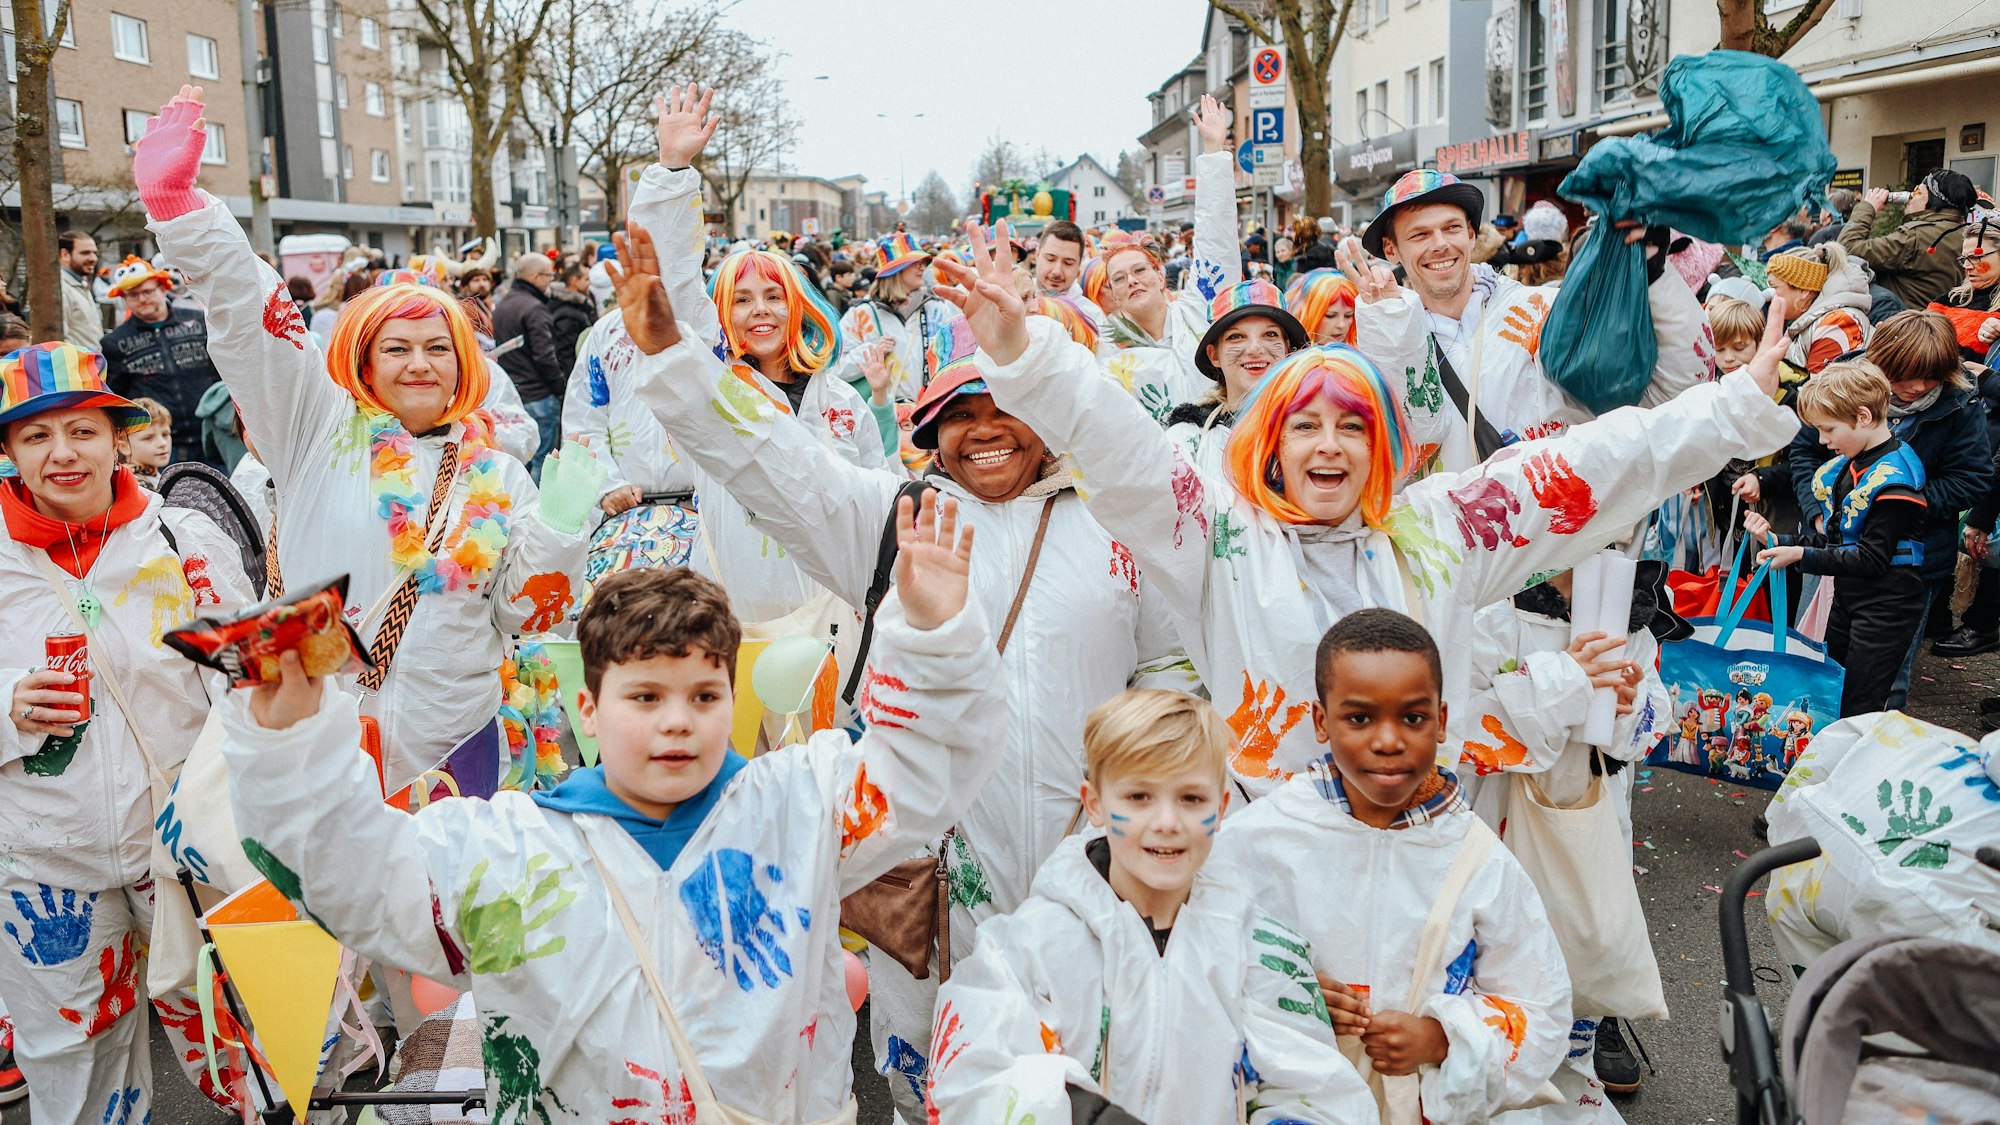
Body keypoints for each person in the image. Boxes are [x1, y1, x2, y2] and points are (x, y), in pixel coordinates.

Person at [613, 214, 1197, 1122]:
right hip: (938, 876)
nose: (984, 434)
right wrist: (674, 360)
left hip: (1096, 864)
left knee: (1092, 1079)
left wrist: (1160, 810)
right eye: (958, 419)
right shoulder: (898, 518)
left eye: (1004, 411)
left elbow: (1171, 676)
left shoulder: (1119, 523)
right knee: (948, 1084)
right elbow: (773, 460)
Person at [218, 498, 1003, 1123]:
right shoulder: (507, 850)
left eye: (704, 694)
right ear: (588, 710)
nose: (676, 719)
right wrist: (291, 737)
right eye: (645, 696)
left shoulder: (799, 808)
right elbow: (352, 876)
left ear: (731, 696)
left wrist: (934, 632)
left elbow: (926, 766)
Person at [948, 221, 1801, 792]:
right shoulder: (1216, 535)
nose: (1328, 446)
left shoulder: (1436, 530)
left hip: (1424, 853)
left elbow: (1591, 463)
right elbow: (1120, 449)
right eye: (1306, 425)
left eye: (1352, 426)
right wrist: (1025, 354)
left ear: (1383, 445)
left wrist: (1733, 407)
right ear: (1268, 442)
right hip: (1273, 867)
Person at [135, 83, 600, 792]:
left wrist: (563, 526)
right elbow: (253, 319)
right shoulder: (316, 429)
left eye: (438, 348)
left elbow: (525, 610)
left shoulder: (500, 477)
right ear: (362, 360)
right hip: (324, 737)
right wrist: (184, 212)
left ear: (462, 366)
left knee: (447, 903)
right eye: (398, 348)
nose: (420, 363)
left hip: (456, 743)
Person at [0, 342, 257, 1122]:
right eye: (36, 436)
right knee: (75, 1071)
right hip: (45, 864)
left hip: (187, 849)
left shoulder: (182, 540)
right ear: (9, 452)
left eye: (81, 429)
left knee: (244, 1044)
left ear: (119, 436)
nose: (63, 453)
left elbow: (247, 688)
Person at [928, 689, 1375, 1124]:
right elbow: (972, 1071)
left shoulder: (1259, 951)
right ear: (1096, 804)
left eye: (1191, 798)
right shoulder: (1029, 947)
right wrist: (1085, 1114)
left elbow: (1317, 1094)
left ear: (1221, 808)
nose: (1166, 823)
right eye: (1139, 797)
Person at [1208, 610, 1573, 1123]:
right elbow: (1194, 966)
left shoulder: (1478, 859)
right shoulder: (1258, 840)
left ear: (1442, 721)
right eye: (1359, 718)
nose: (1388, 740)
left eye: (1413, 718)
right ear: (1320, 720)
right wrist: (1285, 990)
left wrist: (1443, 1038)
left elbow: (1543, 1010)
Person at [1457, 567, 1675, 1109]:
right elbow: (1454, 726)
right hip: (1495, 810)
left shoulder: (1631, 603)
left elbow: (1647, 724)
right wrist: (1560, 682)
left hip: (1590, 807)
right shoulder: (1488, 603)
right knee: (1496, 945)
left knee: (1585, 928)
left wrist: (1629, 704)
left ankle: (1583, 1042)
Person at [1351, 169, 1711, 474]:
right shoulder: (1387, 340)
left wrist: (1652, 272)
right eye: (1420, 234)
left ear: (1472, 235)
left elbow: (1672, 397)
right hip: (1454, 552)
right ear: (1391, 249)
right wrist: (1388, 327)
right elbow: (1387, 464)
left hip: (1562, 546)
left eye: (1452, 228)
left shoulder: (1546, 312)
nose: (1441, 244)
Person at [1786, 311, 1991, 706]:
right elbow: (1806, 451)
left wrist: (1895, 506)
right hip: (1832, 550)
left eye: (1930, 377)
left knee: (1886, 682)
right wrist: (1818, 510)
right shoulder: (1842, 383)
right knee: (1816, 658)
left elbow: (1972, 478)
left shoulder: (1959, 404)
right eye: (1903, 377)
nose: (1916, 387)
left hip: (1908, 567)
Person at [1754, 362, 1934, 716]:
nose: (1823, 441)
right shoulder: (1853, 465)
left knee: (1858, 705)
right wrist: (1778, 539)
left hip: (1887, 606)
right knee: (1830, 692)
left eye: (1828, 429)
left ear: (1863, 416)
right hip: (1850, 597)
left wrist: (1799, 555)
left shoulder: (1895, 480)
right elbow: (1838, 540)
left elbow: (1871, 558)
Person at [1098, 95, 1239, 423]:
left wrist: (1214, 154)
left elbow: (1215, 243)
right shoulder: (1111, 352)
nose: (1131, 280)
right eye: (1119, 278)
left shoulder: (1198, 310)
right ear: (1114, 295)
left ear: (1160, 277)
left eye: (1139, 270)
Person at [98, 257, 223, 467]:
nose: (142, 299)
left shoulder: (199, 322)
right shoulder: (115, 342)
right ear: (125, 299)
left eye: (147, 291)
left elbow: (223, 370)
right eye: (133, 295)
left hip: (212, 434)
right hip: (160, 442)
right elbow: (115, 396)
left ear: (163, 288)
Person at [1840, 170, 1977, 310]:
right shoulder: (1968, 235)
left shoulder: (1916, 236)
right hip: (1943, 323)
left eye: (1918, 193)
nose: (1910, 197)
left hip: (1908, 323)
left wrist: (1867, 207)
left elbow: (1847, 248)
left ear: (1935, 201)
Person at [494, 251, 566, 476]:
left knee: (519, 464)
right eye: (548, 276)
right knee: (543, 463)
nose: (551, 281)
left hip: (514, 393)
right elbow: (545, 356)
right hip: (539, 395)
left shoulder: (504, 303)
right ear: (535, 277)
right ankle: (538, 509)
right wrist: (560, 389)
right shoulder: (534, 308)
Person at [1766, 243, 1874, 374]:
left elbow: (1820, 391)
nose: (1769, 297)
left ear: (1803, 290)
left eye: (1774, 287)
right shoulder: (1806, 323)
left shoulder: (1838, 324)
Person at [547, 260, 596, 377]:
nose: (590, 283)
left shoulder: (577, 306)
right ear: (575, 281)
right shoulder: (568, 314)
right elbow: (565, 353)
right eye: (586, 279)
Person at [1286, 268, 1358, 346]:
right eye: (1330, 316)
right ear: (1306, 313)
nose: (1341, 325)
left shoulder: (1360, 354)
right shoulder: (1288, 354)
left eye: (1348, 315)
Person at [58, 231, 103, 349]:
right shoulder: (61, 290)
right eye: (85, 253)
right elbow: (59, 340)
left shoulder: (80, 284)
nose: (93, 258)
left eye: (94, 253)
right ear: (65, 254)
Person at [122, 395, 174, 486]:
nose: (162, 443)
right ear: (125, 447)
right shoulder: (133, 484)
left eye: (165, 434)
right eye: (148, 438)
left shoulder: (155, 476)